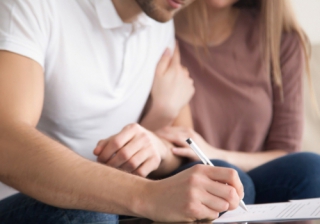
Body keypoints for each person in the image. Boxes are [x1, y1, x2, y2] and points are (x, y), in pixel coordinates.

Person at [0, 0, 245, 223]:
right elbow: (6, 143)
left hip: (118, 201)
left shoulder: (159, 17)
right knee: (91, 212)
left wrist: (157, 145)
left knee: (224, 188)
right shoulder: (31, 6)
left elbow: (181, 144)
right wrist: (147, 196)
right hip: (26, 202)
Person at [154, 0, 320, 205]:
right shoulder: (156, 33)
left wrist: (214, 154)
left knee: (313, 170)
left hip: (255, 181)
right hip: (182, 176)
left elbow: (287, 152)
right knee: (229, 186)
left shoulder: (279, 38)